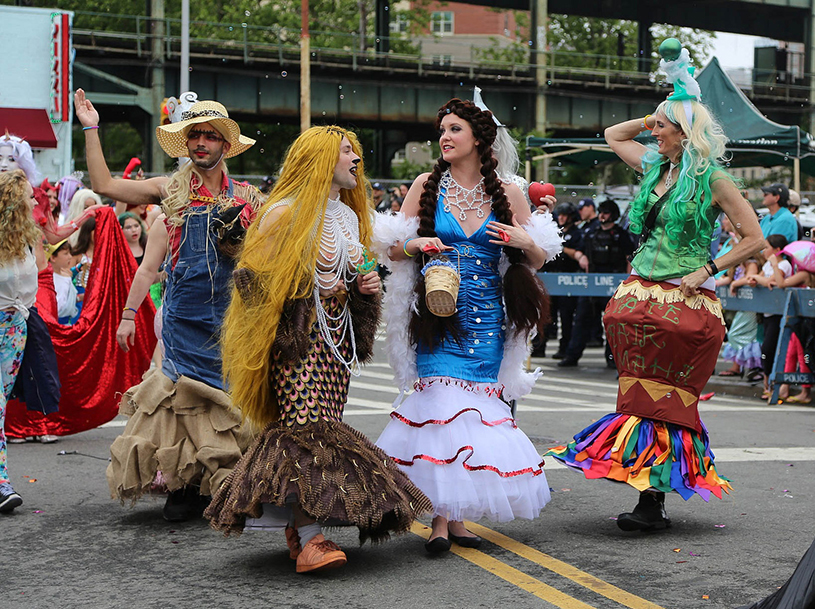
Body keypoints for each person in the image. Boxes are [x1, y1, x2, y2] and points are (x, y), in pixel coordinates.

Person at [546, 40, 763, 532]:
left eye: (664, 128)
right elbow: (611, 132)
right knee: (638, 399)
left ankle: (653, 502)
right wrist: (659, 112)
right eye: (656, 128)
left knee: (666, 402)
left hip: (686, 301)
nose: (655, 134)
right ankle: (647, 491)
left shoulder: (714, 179)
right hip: (640, 295)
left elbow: (754, 239)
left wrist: (708, 269)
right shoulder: (652, 166)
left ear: (685, 134)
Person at [205, 126, 431, 574]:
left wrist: (365, 288)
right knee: (308, 432)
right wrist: (307, 289)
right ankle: (311, 540)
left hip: (336, 343)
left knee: (314, 431)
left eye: (354, 151)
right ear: (322, 158)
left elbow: (355, 274)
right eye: (347, 151)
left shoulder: (347, 218)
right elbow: (251, 282)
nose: (355, 159)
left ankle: (298, 528)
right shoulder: (284, 212)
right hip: (297, 343)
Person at [372, 98, 562, 554]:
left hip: (487, 321)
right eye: (442, 130)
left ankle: (455, 519)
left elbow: (538, 258)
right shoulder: (425, 184)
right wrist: (415, 243)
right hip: (436, 317)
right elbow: (390, 249)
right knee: (441, 411)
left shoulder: (510, 193)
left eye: (454, 129)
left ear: (478, 138)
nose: (445, 137)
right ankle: (441, 520)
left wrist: (522, 239)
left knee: (472, 417)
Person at [75, 89, 263, 521]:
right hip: (182, 322)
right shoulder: (169, 191)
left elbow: (276, 251)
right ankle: (183, 486)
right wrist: (90, 127)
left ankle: (226, 482)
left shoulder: (250, 199)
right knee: (181, 406)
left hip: (233, 322)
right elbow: (103, 186)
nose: (201, 142)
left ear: (226, 144)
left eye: (210, 136)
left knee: (229, 404)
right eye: (194, 135)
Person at [0, 170, 46, 512]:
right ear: (14, 202)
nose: (36, 201)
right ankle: (2, 485)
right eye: (30, 196)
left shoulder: (29, 237)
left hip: (17, 329)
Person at [558, 199, 635, 368]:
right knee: (581, 320)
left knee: (613, 324)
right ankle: (572, 356)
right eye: (601, 212)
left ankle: (612, 359)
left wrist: (627, 280)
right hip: (592, 284)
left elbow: (629, 257)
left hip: (613, 284)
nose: (602, 216)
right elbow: (581, 251)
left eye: (606, 213)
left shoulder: (621, 235)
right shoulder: (591, 233)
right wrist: (581, 257)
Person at [742, 235, 791, 400]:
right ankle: (766, 385)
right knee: (765, 348)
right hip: (766, 312)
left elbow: (773, 281)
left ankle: (772, 384)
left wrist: (761, 277)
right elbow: (757, 278)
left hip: (778, 312)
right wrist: (756, 279)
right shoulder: (769, 264)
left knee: (770, 349)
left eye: (767, 247)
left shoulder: (783, 264)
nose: (764, 251)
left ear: (777, 250)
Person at [538, 201, 585, 359]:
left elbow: (578, 253)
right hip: (551, 277)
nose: (562, 218)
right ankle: (540, 346)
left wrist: (562, 247)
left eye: (565, 215)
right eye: (561, 215)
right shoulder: (555, 230)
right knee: (547, 314)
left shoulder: (577, 234)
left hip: (567, 279)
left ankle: (564, 348)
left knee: (566, 316)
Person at [47, 240, 79, 325]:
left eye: (70, 253)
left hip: (66, 325)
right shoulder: (48, 279)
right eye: (66, 253)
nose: (70, 257)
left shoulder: (67, 277)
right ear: (53, 258)